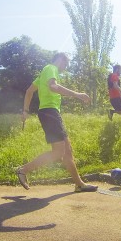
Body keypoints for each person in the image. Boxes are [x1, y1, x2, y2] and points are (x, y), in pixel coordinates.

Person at [17, 52, 98, 193]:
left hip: (50, 113)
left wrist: (25, 111)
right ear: (60, 60)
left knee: (68, 151)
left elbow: (29, 91)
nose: (65, 68)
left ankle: (79, 184)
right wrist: (77, 94)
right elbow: (53, 87)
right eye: (65, 64)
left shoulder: (44, 72)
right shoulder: (50, 68)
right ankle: (23, 170)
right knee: (58, 152)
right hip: (49, 112)